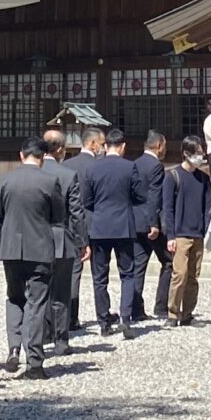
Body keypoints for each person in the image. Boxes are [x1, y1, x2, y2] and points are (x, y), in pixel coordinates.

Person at [0, 136, 68, 377]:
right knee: (37, 302)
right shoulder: (49, 181)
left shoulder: (5, 180)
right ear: (43, 157)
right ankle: (34, 360)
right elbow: (58, 216)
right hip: (40, 248)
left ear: (21, 155)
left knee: (14, 297)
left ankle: (13, 348)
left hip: (11, 247)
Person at [79, 126, 142, 336]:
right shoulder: (130, 167)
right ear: (123, 146)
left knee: (99, 276)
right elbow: (139, 195)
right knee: (127, 273)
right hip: (123, 225)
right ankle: (125, 317)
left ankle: (104, 321)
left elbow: (86, 200)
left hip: (99, 226)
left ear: (105, 147)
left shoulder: (93, 169)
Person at [159, 137, 211, 325]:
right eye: (197, 152)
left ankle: (188, 313)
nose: (201, 156)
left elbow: (208, 208)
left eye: (201, 151)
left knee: (193, 277)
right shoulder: (172, 176)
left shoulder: (204, 178)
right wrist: (170, 235)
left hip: (197, 233)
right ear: (186, 154)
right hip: (180, 233)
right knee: (179, 274)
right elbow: (168, 208)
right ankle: (173, 313)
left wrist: (208, 232)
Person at [45, 122, 88, 341]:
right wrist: (82, 242)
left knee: (38, 288)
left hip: (35, 237)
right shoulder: (68, 175)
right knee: (61, 289)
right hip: (62, 236)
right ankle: (60, 337)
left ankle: (41, 333)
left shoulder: (32, 172)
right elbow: (76, 212)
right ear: (61, 150)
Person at [130, 130, 171, 323]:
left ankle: (135, 308)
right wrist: (154, 223)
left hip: (135, 220)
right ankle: (161, 305)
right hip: (150, 222)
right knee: (168, 262)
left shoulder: (134, 164)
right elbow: (154, 195)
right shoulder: (156, 166)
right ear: (159, 146)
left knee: (138, 266)